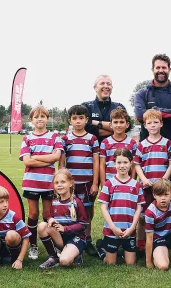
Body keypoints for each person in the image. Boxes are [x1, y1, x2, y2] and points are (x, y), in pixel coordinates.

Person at [134, 54, 171, 196]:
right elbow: (139, 115)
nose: (161, 70)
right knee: (147, 197)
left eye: (164, 67)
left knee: (170, 194)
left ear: (169, 69)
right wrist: (170, 111)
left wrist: (153, 111)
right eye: (158, 67)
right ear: (152, 69)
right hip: (148, 152)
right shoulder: (142, 93)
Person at [19, 105, 64, 260]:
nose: (40, 119)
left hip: (48, 183)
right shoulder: (27, 138)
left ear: (47, 118)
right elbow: (27, 161)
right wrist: (47, 158)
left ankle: (52, 246)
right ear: (31, 120)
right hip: (32, 183)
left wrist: (35, 158)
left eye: (43, 116)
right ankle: (33, 246)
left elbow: (56, 157)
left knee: (47, 215)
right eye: (36, 117)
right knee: (33, 214)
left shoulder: (54, 137)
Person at [59, 104, 100, 256]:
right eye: (74, 118)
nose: (78, 121)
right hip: (72, 184)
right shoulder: (65, 139)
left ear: (86, 120)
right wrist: (63, 182)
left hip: (87, 183)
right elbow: (62, 163)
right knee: (70, 211)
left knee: (87, 212)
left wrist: (95, 183)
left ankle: (87, 240)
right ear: (70, 120)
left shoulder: (92, 139)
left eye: (81, 118)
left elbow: (96, 162)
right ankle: (71, 239)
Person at [134, 109, 171, 253]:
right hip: (147, 187)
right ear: (145, 126)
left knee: (167, 214)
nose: (152, 125)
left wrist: (164, 179)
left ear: (161, 124)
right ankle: (141, 244)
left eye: (155, 122)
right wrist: (144, 179)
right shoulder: (142, 144)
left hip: (163, 188)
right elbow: (137, 164)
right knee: (142, 217)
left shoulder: (167, 143)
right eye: (149, 123)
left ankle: (168, 241)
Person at [97, 148, 144, 265]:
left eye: (125, 162)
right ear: (114, 164)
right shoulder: (109, 184)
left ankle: (122, 250)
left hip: (129, 230)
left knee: (130, 263)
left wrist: (133, 227)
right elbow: (103, 207)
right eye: (119, 162)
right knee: (110, 263)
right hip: (112, 230)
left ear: (131, 163)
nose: (122, 166)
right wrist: (113, 228)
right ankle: (101, 249)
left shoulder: (136, 185)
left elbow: (139, 208)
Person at [37, 169, 89, 269]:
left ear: (70, 183)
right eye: (56, 183)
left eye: (63, 182)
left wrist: (65, 229)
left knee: (64, 261)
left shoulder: (76, 202)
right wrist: (50, 220)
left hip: (75, 238)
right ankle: (54, 256)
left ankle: (77, 253)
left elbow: (83, 224)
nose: (59, 185)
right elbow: (50, 216)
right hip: (60, 238)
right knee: (42, 226)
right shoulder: (54, 202)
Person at [83, 75, 129, 144]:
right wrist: (114, 131)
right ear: (95, 87)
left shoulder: (119, 107)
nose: (106, 86)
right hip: (90, 150)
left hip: (115, 150)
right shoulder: (86, 107)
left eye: (108, 84)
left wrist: (97, 123)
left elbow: (127, 127)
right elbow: (86, 127)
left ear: (112, 88)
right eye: (102, 83)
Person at [99, 107, 138, 185]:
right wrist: (104, 185)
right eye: (116, 122)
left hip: (127, 183)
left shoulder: (132, 143)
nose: (118, 125)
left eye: (121, 122)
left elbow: (134, 165)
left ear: (127, 124)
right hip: (110, 183)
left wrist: (133, 182)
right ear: (110, 125)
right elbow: (102, 165)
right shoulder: (105, 142)